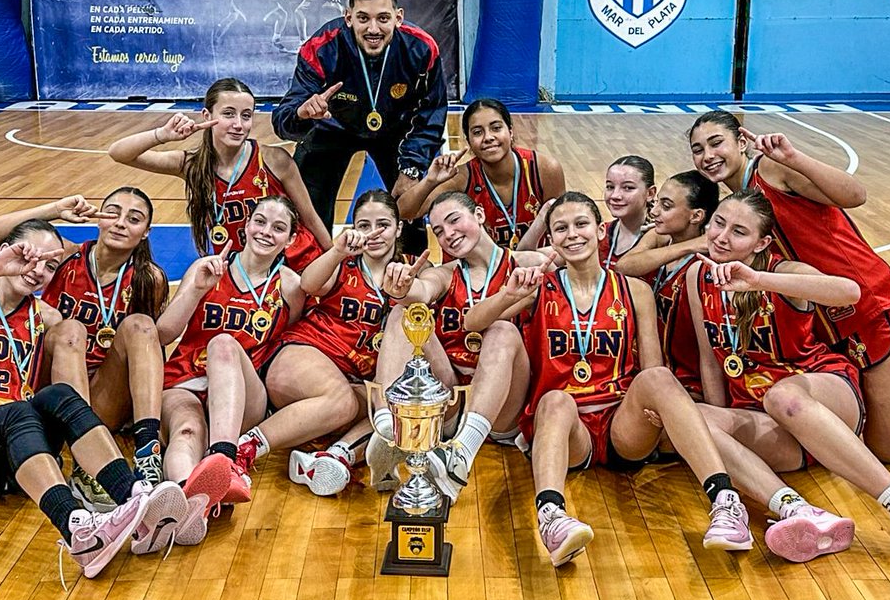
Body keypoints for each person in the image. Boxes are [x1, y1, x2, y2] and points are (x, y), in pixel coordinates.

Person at [685, 189, 890, 577]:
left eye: (739, 232)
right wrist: (725, 424)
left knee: (782, 396)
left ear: (762, 243)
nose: (721, 236)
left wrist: (757, 280)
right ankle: (798, 510)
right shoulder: (696, 275)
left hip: (822, 392)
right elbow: (710, 359)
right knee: (692, 418)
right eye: (719, 223)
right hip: (770, 417)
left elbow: (847, 291)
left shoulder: (783, 273)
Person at [465, 192, 752, 567]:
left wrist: (657, 406)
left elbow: (651, 367)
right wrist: (508, 294)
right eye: (561, 228)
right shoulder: (540, 289)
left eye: (581, 224)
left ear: (600, 230)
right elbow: (474, 323)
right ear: (550, 240)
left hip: (621, 424)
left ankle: (726, 503)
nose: (572, 235)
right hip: (568, 430)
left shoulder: (635, 290)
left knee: (660, 378)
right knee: (554, 399)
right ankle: (552, 516)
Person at [0, 219, 190, 582]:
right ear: (6, 253)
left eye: (49, 265)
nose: (38, 271)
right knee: (16, 412)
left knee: (57, 396)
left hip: (15, 460)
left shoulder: (45, 317)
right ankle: (77, 529)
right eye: (30, 259)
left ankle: (134, 496)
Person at [688, 111, 890, 463]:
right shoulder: (737, 207)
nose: (708, 155)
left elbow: (856, 194)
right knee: (843, 432)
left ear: (742, 142)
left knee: (889, 449)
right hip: (824, 311)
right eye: (698, 149)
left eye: (716, 143)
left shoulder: (772, 170)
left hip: (871, 301)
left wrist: (795, 158)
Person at [0, 188, 170, 512]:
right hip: (50, 392)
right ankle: (84, 463)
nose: (120, 223)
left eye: (133, 219)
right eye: (112, 212)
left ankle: (148, 452)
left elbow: (149, 349)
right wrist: (55, 209)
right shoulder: (62, 255)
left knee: (142, 326)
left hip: (104, 396)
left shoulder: (149, 278)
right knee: (71, 329)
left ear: (145, 232)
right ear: (98, 218)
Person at [365, 191, 541, 503]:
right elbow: (421, 290)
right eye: (438, 231)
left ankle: (462, 452)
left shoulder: (526, 265)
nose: (448, 234)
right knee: (405, 313)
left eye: (454, 220)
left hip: (503, 408)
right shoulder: (444, 274)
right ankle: (388, 429)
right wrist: (404, 290)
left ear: (480, 216)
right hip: (449, 401)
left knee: (501, 330)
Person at [237, 190, 411, 496]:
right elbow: (309, 284)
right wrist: (337, 252)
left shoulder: (409, 271)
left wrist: (411, 287)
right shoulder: (345, 264)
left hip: (352, 377)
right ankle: (241, 451)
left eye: (382, 224)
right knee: (342, 402)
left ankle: (333, 457)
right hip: (306, 352)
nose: (373, 234)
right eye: (364, 225)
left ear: (398, 228)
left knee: (397, 409)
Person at [271, 0, 448, 255]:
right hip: (332, 130)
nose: (373, 28)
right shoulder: (321, 48)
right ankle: (312, 278)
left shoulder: (422, 49)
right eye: (363, 18)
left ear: (398, 17)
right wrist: (301, 114)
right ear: (348, 16)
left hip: (394, 132)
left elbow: (432, 112)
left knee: (411, 208)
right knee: (305, 210)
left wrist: (413, 167)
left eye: (383, 18)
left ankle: (413, 283)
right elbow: (282, 122)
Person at [157, 197, 305, 522]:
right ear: (247, 224)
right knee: (185, 433)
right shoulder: (208, 268)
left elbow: (290, 344)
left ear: (291, 239)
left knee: (223, 343)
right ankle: (189, 507)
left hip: (244, 394)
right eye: (260, 221)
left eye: (279, 228)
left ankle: (223, 458)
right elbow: (164, 333)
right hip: (186, 381)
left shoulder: (291, 285)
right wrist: (196, 290)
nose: (266, 232)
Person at [108, 77, 331, 271]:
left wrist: (338, 262)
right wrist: (162, 134)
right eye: (228, 114)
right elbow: (119, 153)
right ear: (207, 115)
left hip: (294, 263)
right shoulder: (191, 164)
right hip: (239, 270)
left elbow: (310, 218)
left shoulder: (274, 159)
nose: (238, 124)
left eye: (246, 116)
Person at [396, 99, 566, 251]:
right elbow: (404, 212)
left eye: (496, 128)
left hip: (534, 270)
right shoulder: (460, 177)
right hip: (479, 274)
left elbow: (562, 229)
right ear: (468, 141)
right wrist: (430, 181)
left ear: (511, 131)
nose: (488, 137)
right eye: (477, 132)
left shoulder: (544, 169)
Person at [616, 171, 719, 399]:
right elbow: (624, 266)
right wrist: (689, 245)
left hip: (686, 383)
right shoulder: (661, 238)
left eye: (666, 206)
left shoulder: (705, 267)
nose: (654, 212)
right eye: (656, 203)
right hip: (643, 370)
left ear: (696, 216)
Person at [599, 155, 655, 269]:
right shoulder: (599, 234)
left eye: (628, 188)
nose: (615, 196)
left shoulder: (665, 239)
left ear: (650, 194)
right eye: (610, 187)